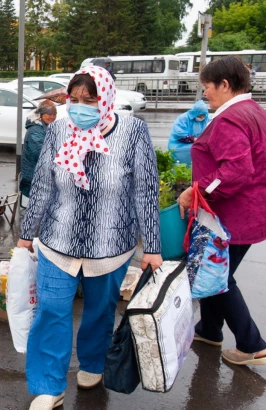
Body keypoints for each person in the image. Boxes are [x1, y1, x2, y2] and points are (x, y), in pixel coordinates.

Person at [17, 66, 162, 410]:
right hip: (58, 240)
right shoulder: (57, 131)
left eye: (90, 100)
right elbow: (42, 184)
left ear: (107, 99)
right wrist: (26, 234)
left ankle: (93, 363)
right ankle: (49, 386)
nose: (80, 107)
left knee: (100, 310)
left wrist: (153, 247)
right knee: (51, 310)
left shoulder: (133, 132)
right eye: (74, 99)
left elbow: (145, 191)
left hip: (110, 245)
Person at [177, 56, 266, 366]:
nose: (205, 94)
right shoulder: (253, 111)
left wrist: (198, 190)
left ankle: (251, 344)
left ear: (225, 85)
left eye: (207, 87)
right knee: (214, 274)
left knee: (219, 276)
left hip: (232, 217)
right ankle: (210, 329)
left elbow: (237, 171)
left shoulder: (230, 119)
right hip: (250, 213)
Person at [20, 99, 57, 198]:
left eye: (54, 114)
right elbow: (40, 153)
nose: (52, 117)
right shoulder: (35, 130)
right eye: (49, 114)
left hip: (43, 172)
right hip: (34, 177)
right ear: (41, 114)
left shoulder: (46, 127)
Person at [168, 100, 209, 165]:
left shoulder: (206, 119)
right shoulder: (184, 118)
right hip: (179, 145)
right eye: (200, 115)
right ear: (195, 113)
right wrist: (194, 139)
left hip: (197, 144)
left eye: (203, 115)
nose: (201, 117)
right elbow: (179, 135)